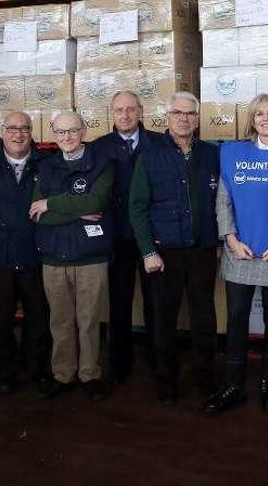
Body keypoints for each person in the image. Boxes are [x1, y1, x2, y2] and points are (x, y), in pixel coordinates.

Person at [204, 93, 268, 415]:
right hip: (241, 253)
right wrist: (230, 239)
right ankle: (234, 385)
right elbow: (223, 201)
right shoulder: (233, 154)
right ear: (252, 119)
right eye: (259, 114)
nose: (266, 119)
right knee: (236, 321)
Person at [128, 91, 220, 405]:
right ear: (166, 118)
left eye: (190, 114)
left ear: (197, 118)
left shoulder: (211, 155)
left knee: (204, 317)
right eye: (178, 113)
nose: (184, 119)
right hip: (164, 253)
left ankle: (206, 377)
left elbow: (223, 200)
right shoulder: (150, 156)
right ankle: (165, 381)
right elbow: (137, 207)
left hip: (203, 250)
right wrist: (147, 252)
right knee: (163, 320)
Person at [30, 112, 112, 402]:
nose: (67, 137)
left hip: (90, 258)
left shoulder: (102, 164)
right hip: (53, 258)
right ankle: (62, 374)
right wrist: (77, 212)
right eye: (61, 132)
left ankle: (90, 374)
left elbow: (96, 201)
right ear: (54, 133)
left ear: (84, 130)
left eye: (73, 131)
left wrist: (51, 204)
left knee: (89, 320)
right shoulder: (46, 167)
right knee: (60, 321)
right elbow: (37, 216)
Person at [0, 111, 52, 395]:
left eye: (24, 128)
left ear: (32, 132)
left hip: (36, 254)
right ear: (1, 132)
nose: (18, 134)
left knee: (39, 317)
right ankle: (5, 373)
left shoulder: (47, 164)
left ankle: (36, 369)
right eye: (12, 128)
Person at [92, 90, 161, 384]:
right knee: (118, 302)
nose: (125, 115)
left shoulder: (158, 144)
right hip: (115, 235)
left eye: (131, 109)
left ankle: (158, 359)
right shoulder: (98, 148)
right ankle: (119, 361)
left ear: (141, 111)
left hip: (150, 237)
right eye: (119, 110)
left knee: (156, 302)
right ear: (112, 113)